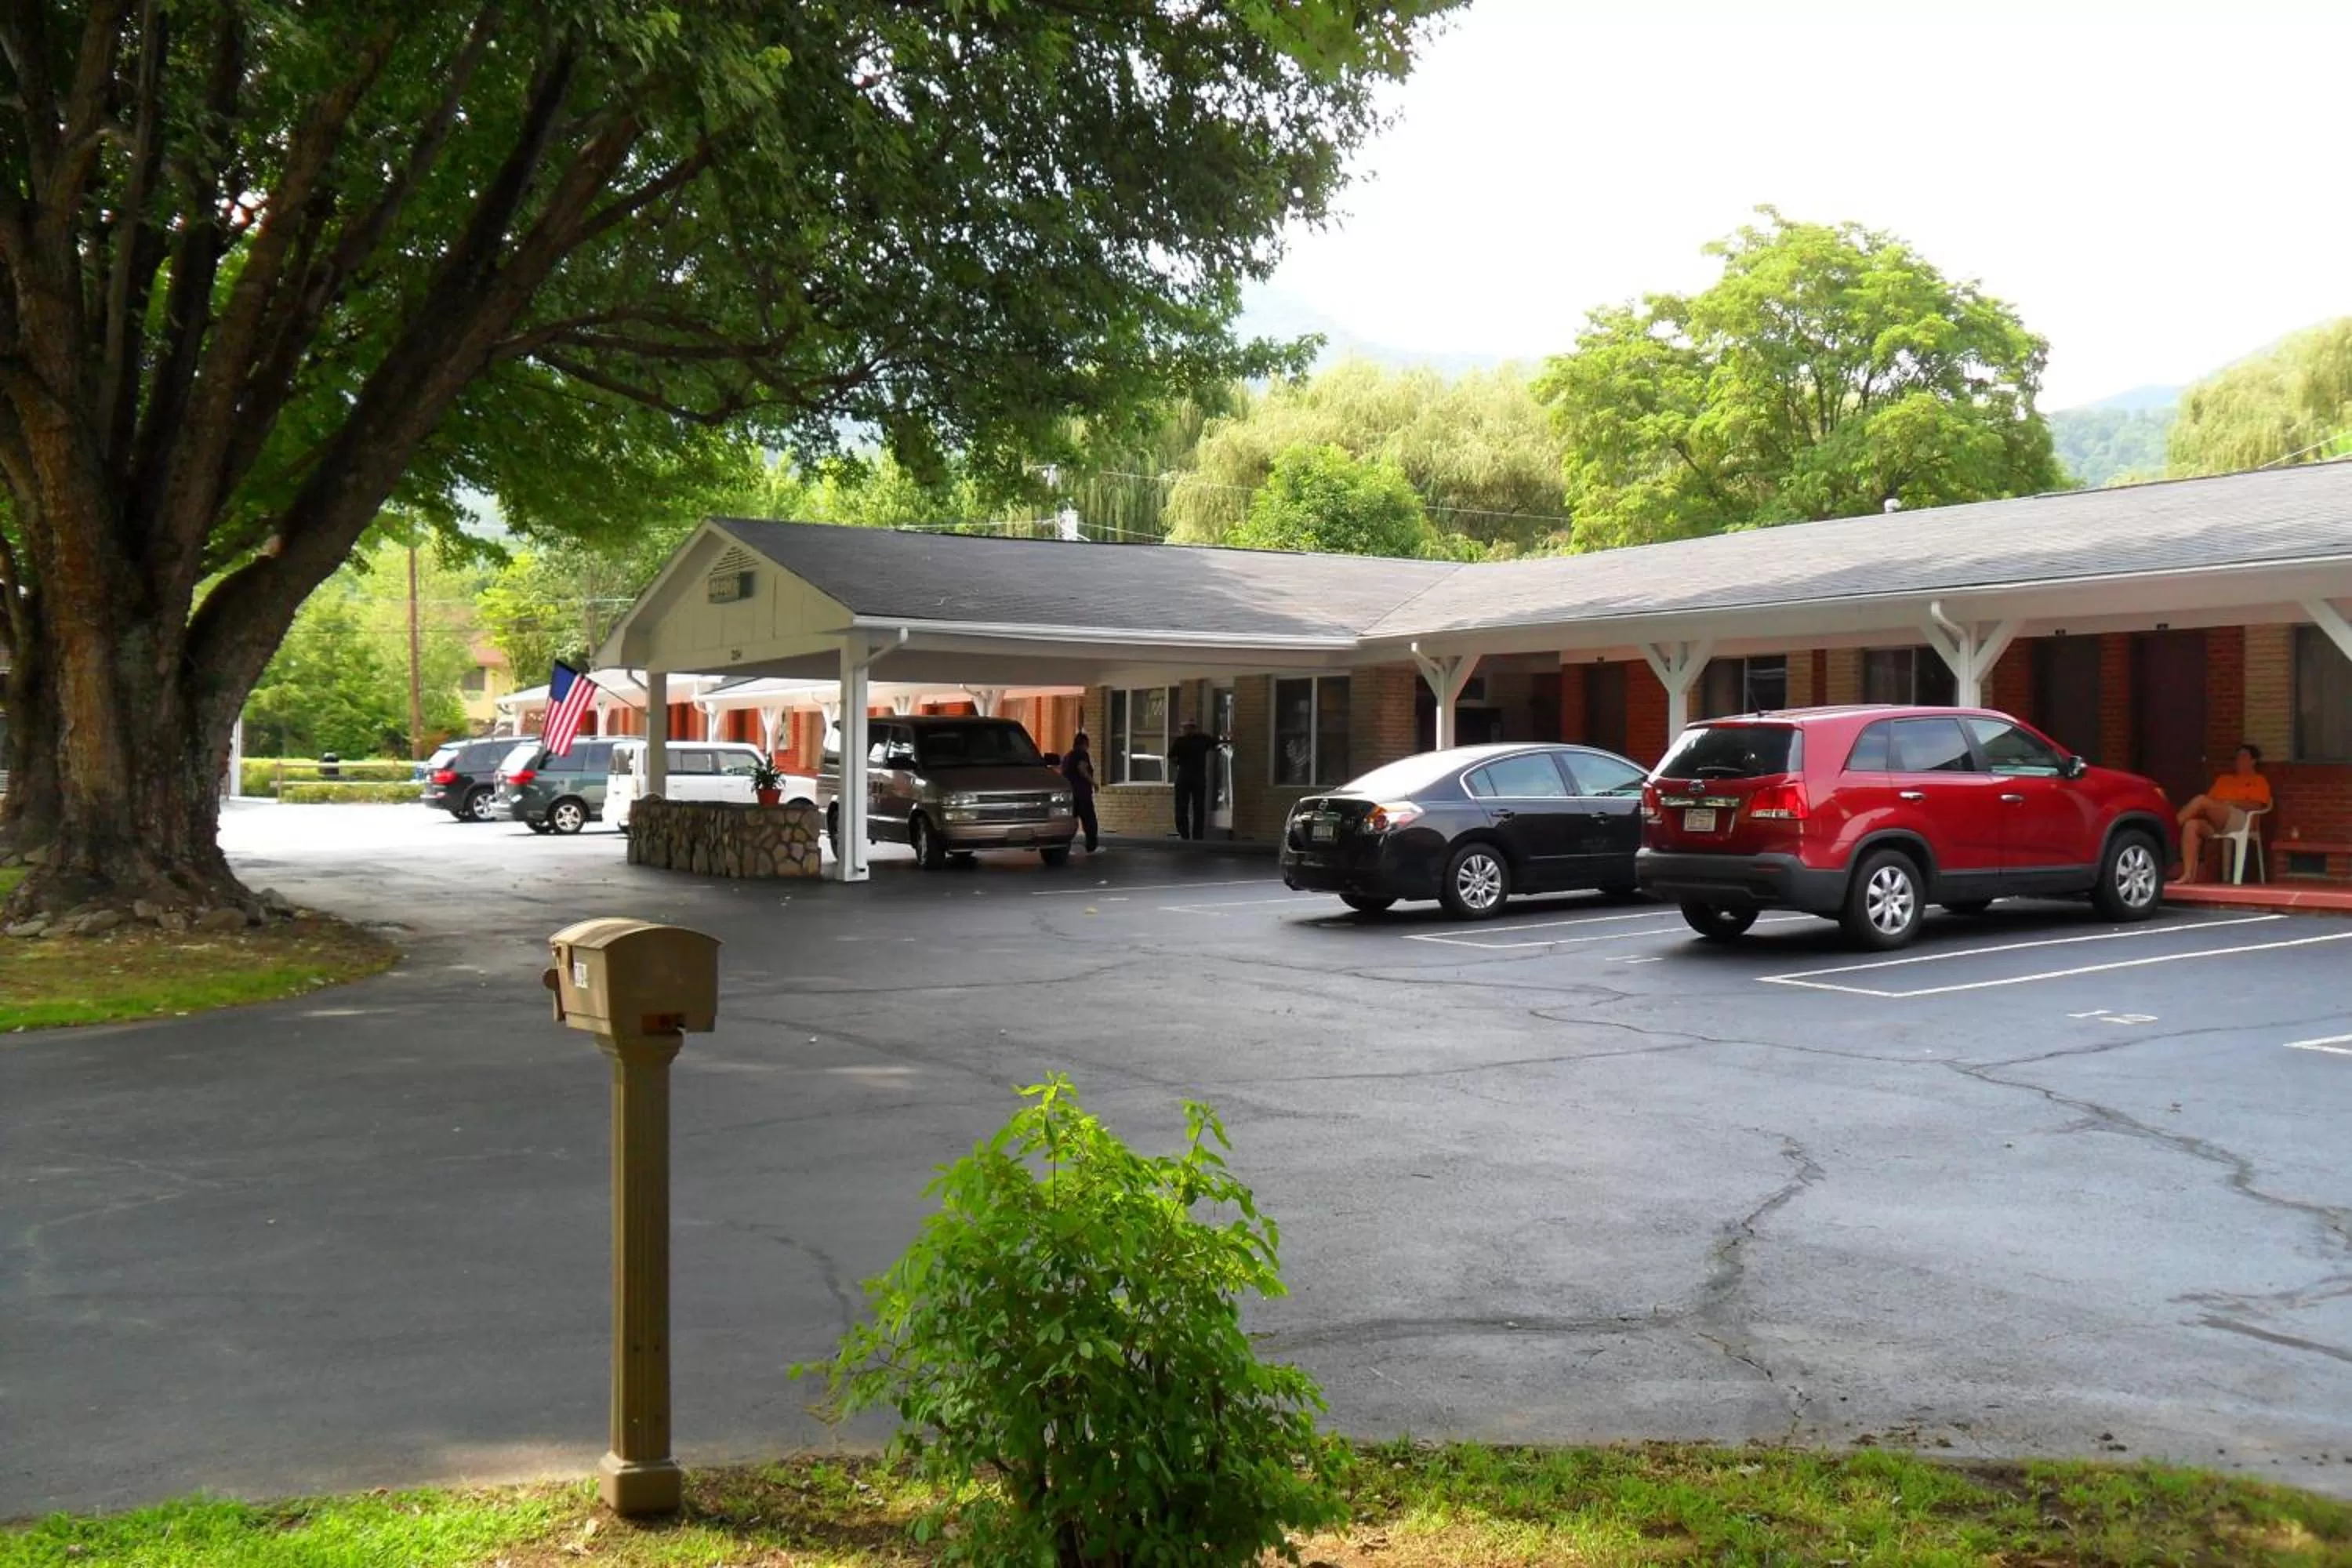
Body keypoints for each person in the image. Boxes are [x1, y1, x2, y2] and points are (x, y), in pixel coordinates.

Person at [2174, 742, 2271, 884]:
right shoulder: (2224, 780)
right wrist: (2218, 806)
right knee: (2191, 825)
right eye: (2237, 757)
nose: (2239, 760)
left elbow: (2257, 805)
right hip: (2218, 818)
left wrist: (2232, 803)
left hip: (2241, 818)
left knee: (2201, 800)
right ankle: (2188, 874)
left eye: (2243, 757)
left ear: (2253, 761)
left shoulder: (2259, 781)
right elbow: (2210, 802)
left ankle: (2169, 827)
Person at [1168, 717, 1218, 840]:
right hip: (1197, 777)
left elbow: (1171, 757)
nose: (1185, 730)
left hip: (1185, 776)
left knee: (1182, 807)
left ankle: (1185, 834)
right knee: (1198, 808)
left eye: (1186, 728)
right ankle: (1196, 836)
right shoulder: (1203, 739)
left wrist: (1178, 764)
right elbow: (1216, 745)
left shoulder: (1181, 741)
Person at [1062, 731, 1100, 854]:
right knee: (1090, 822)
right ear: (1085, 744)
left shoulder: (1068, 756)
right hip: (1082, 794)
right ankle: (1091, 847)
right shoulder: (1082, 755)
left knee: (1070, 822)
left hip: (1070, 794)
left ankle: (1063, 845)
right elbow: (1082, 768)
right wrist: (1093, 783)